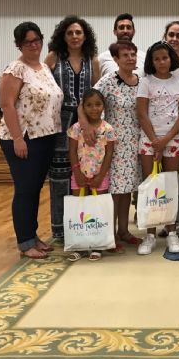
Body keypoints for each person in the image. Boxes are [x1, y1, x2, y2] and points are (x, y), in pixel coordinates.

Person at [0, 21, 63, 259]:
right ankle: (25, 243)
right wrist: (17, 138)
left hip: (45, 136)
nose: (34, 45)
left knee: (35, 189)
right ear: (19, 44)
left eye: (37, 40)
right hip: (23, 137)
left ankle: (33, 235)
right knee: (25, 190)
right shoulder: (15, 69)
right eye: (28, 41)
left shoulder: (43, 67)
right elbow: (6, 105)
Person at [45, 15, 100, 242]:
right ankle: (60, 229)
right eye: (70, 33)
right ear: (63, 36)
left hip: (87, 122)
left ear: (85, 36)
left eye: (78, 32)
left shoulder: (92, 60)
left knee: (86, 172)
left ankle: (84, 225)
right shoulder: (53, 57)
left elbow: (96, 93)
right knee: (59, 175)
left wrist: (91, 120)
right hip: (59, 123)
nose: (74, 36)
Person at [136, 41, 179, 255]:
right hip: (149, 138)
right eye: (156, 59)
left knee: (169, 186)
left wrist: (165, 140)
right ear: (151, 61)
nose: (161, 62)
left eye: (165, 58)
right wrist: (154, 140)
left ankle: (171, 232)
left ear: (171, 59)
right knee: (150, 186)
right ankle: (149, 234)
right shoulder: (145, 82)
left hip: (173, 139)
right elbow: (141, 113)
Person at [93, 40, 142, 251]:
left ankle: (124, 230)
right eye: (125, 55)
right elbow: (90, 100)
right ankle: (109, 234)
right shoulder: (108, 81)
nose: (130, 58)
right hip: (114, 143)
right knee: (114, 190)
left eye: (133, 54)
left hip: (135, 141)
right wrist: (90, 127)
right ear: (116, 59)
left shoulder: (142, 81)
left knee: (128, 189)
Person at [66, 88, 116, 262]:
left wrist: (101, 176)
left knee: (98, 209)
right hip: (78, 176)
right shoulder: (76, 128)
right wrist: (76, 171)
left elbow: (109, 154)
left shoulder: (108, 129)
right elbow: (72, 151)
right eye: (89, 105)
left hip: (99, 176)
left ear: (103, 106)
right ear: (83, 108)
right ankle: (79, 245)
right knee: (79, 210)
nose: (94, 109)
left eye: (98, 104)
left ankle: (97, 245)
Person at [98, 13, 145, 78]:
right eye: (121, 27)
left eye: (128, 27)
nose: (125, 31)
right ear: (115, 32)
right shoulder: (102, 58)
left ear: (133, 32)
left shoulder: (144, 57)